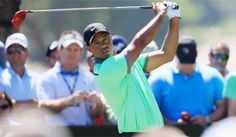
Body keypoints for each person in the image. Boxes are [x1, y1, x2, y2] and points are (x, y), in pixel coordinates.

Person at [83, 1, 180, 136]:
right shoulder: (105, 69)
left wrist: (174, 18)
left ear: (110, 38)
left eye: (105, 39)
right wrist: (161, 14)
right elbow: (140, 42)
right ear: (89, 48)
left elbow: (167, 55)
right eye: (96, 43)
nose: (103, 45)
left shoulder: (131, 63)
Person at [148, 37, 226, 128]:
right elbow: (150, 109)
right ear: (176, 56)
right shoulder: (159, 78)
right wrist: (171, 125)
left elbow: (223, 106)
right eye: (183, 62)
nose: (186, 67)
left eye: (189, 62)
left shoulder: (213, 76)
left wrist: (207, 119)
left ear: (196, 56)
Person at [37, 30, 105, 126]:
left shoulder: (91, 79)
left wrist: (98, 104)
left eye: (76, 50)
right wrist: (70, 101)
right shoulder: (47, 78)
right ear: (59, 51)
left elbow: (96, 114)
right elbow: (45, 107)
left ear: (81, 52)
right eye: (69, 49)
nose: (72, 53)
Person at [0, 33, 38, 108]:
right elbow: (3, 107)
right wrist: (30, 104)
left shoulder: (38, 79)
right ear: (5, 54)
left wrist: (14, 105)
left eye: (20, 50)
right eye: (11, 50)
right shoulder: (1, 78)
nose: (16, 54)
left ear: (27, 53)